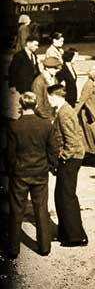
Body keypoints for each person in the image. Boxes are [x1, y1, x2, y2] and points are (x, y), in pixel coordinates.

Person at [5, 92, 59, 258]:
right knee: (41, 209)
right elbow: (53, 150)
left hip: (20, 173)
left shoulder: (14, 126)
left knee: (16, 211)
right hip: (40, 172)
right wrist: (52, 166)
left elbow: (10, 154)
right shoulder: (46, 125)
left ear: (21, 105)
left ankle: (13, 249)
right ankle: (44, 247)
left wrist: (11, 170)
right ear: (36, 105)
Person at [48, 84, 89, 247]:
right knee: (61, 195)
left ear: (55, 96)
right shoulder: (64, 110)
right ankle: (65, 233)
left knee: (67, 197)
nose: (48, 100)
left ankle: (76, 236)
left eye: (49, 97)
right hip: (72, 157)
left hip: (70, 159)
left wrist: (63, 157)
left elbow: (71, 140)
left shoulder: (65, 113)